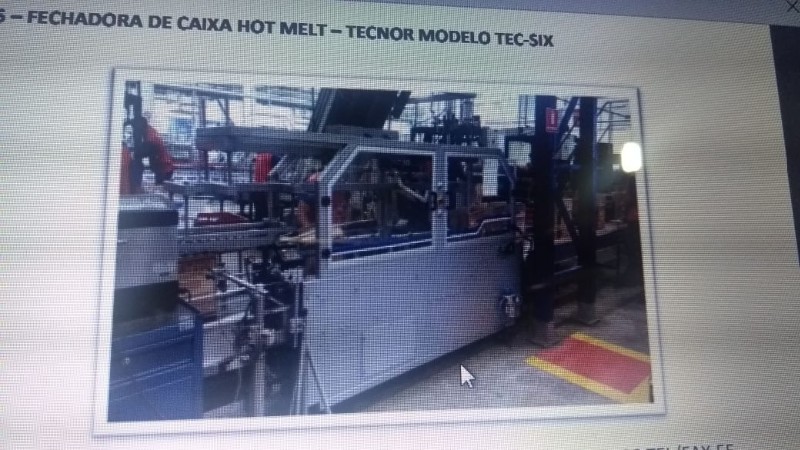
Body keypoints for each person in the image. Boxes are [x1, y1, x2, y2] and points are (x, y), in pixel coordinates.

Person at [119, 116, 175, 195]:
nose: (136, 130)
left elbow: (146, 150)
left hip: (164, 168)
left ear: (141, 126)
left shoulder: (150, 135)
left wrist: (135, 154)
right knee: (161, 188)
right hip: (162, 166)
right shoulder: (149, 131)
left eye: (137, 128)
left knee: (161, 189)